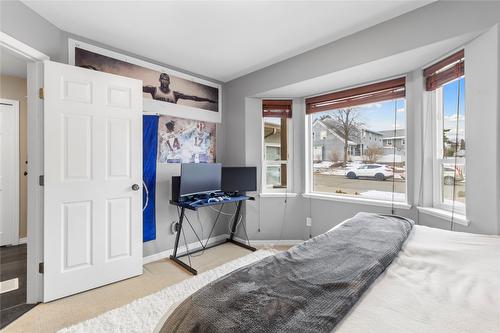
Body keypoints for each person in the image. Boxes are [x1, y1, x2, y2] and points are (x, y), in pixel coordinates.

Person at [143, 73, 217, 104]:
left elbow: (193, 97)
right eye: (163, 79)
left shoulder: (175, 94)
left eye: (166, 80)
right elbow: (138, 87)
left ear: (169, 82)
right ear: (159, 80)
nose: (164, 81)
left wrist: (208, 100)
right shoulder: (153, 89)